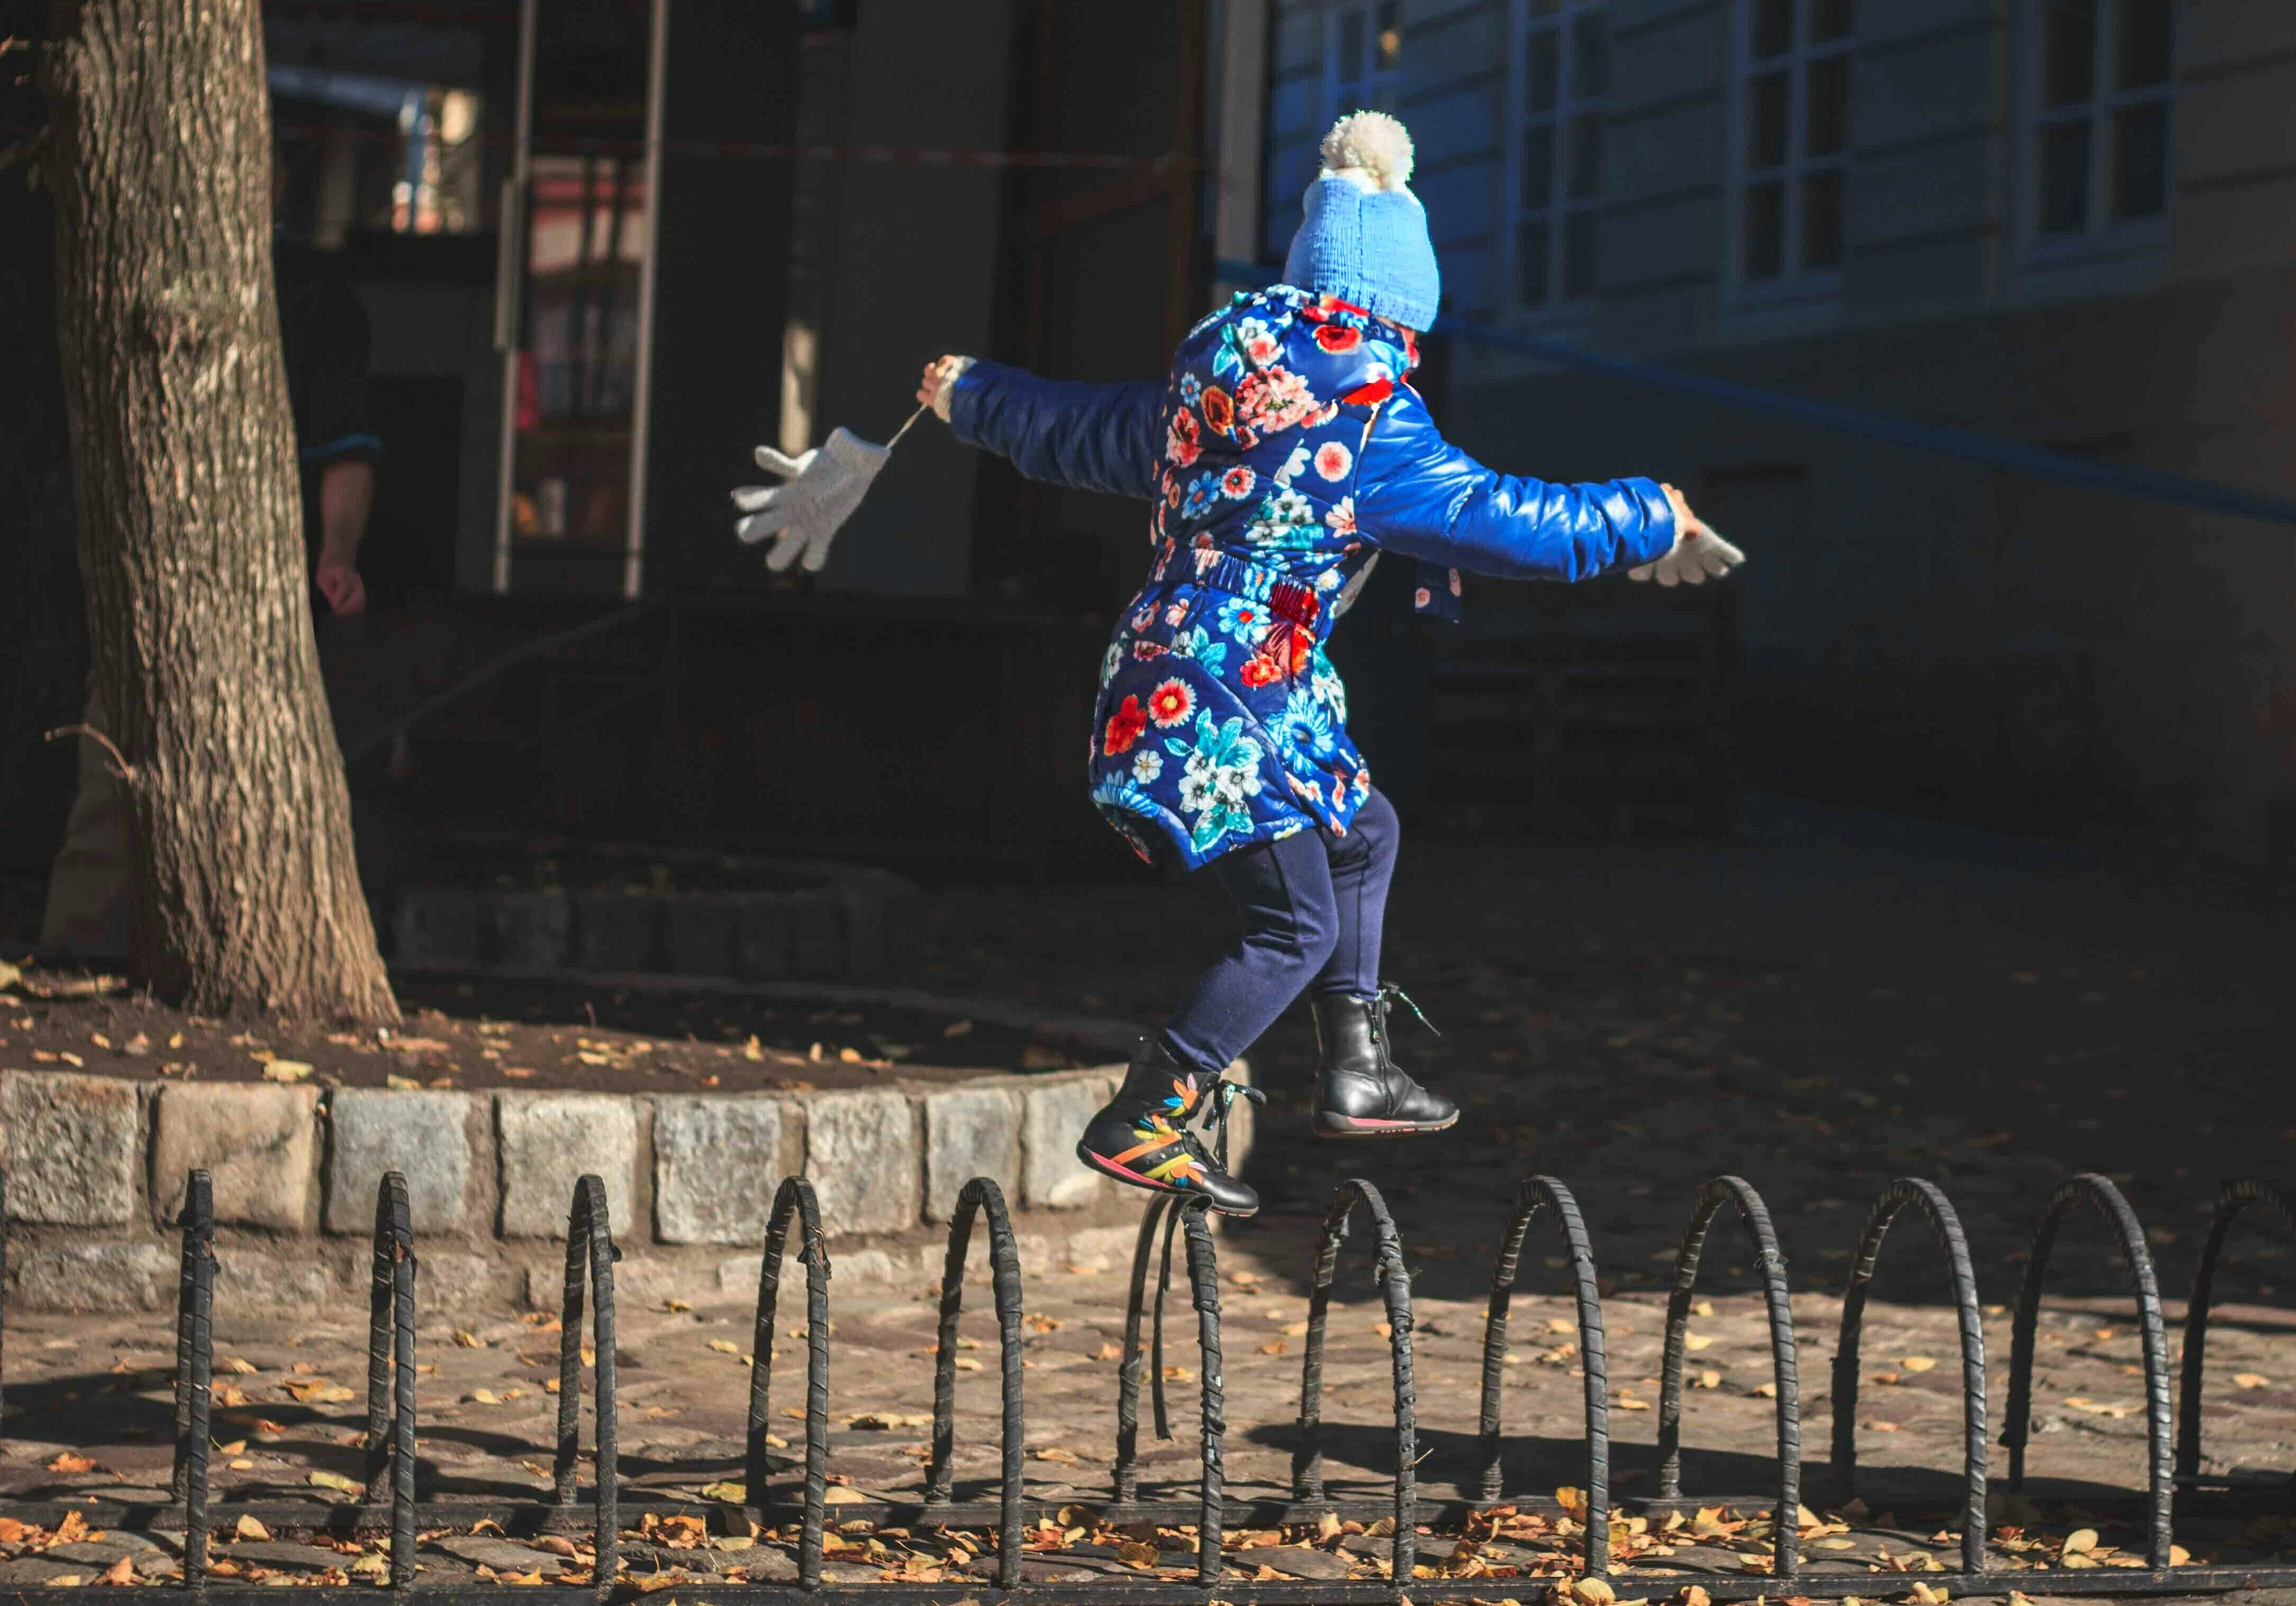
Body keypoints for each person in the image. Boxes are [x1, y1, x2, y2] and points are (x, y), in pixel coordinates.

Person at [915, 112, 1744, 1216]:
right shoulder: (1370, 420)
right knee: (1294, 926)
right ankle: (1148, 1114)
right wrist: (1649, 512)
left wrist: (974, 396)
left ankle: (1357, 1068)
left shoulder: (1214, 393)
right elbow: (1507, 520)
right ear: (1398, 314)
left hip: (1193, 674)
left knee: (1362, 831)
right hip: (1229, 693)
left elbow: (1079, 428)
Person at [38, 236, 380, 960]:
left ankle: (228, 952)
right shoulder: (128, 274)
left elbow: (346, 447)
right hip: (145, 571)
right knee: (119, 763)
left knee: (238, 779)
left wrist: (336, 555)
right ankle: (85, 949)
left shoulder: (314, 302)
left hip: (259, 589)